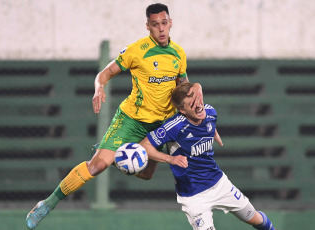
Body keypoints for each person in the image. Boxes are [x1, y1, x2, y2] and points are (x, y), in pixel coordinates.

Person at [26, 3, 203, 229]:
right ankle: (48, 203)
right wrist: (99, 87)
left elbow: (182, 87)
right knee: (96, 167)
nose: (161, 29)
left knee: (147, 173)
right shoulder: (136, 50)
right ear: (147, 26)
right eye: (155, 24)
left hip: (161, 124)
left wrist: (194, 87)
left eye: (164, 23)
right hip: (132, 119)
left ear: (170, 23)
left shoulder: (178, 53)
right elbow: (105, 73)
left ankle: (118, 157)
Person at [140, 82, 278, 230]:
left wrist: (213, 133)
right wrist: (170, 159)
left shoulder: (210, 112)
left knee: (255, 219)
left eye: (197, 99)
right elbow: (144, 146)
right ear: (182, 110)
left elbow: (206, 123)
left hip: (219, 183)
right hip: (194, 196)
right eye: (191, 104)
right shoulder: (175, 126)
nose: (198, 105)